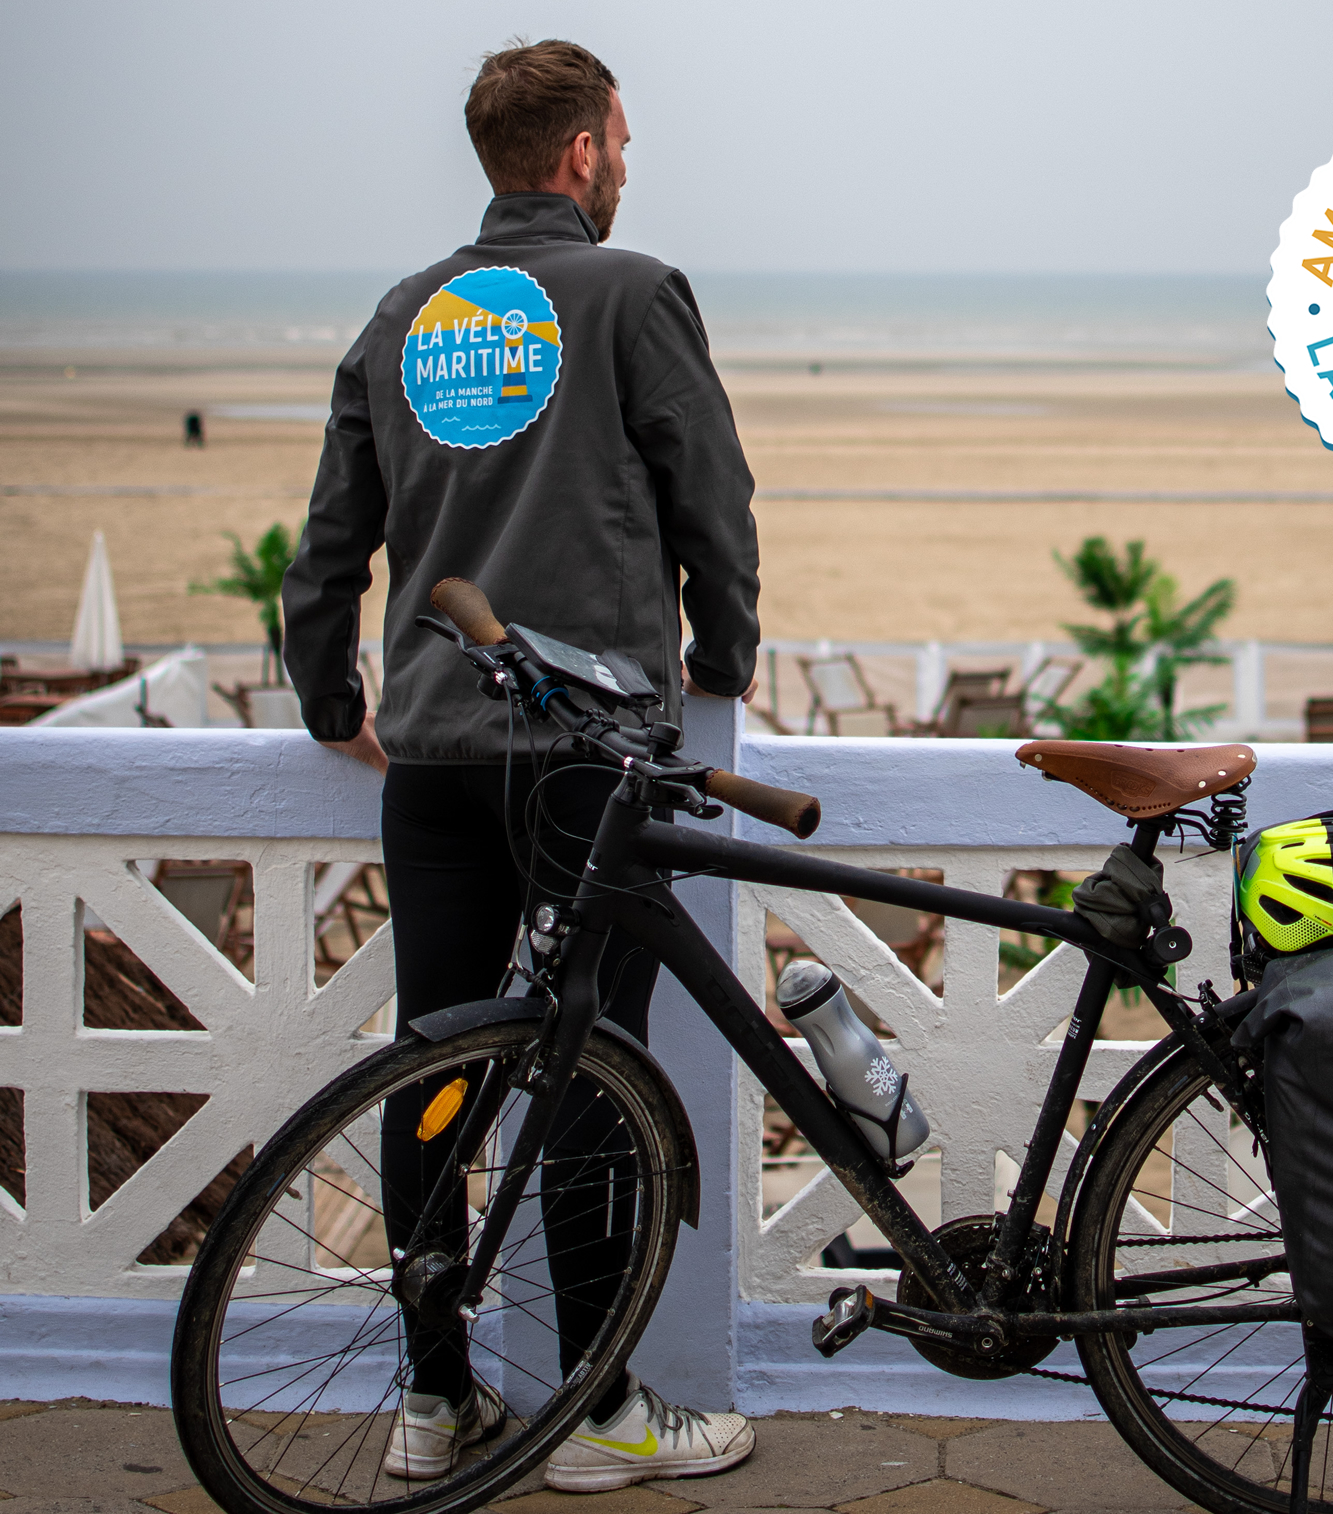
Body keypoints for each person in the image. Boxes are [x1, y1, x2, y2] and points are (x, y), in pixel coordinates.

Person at [281, 38, 760, 1493]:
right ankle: (601, 1413)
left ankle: (435, 1398)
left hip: (432, 752)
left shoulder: (404, 315)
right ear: (581, 154)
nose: (628, 167)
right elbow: (714, 499)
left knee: (437, 1066)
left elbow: (330, 545)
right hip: (585, 762)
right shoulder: (632, 293)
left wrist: (331, 696)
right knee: (591, 1075)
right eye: (623, 142)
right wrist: (726, 656)